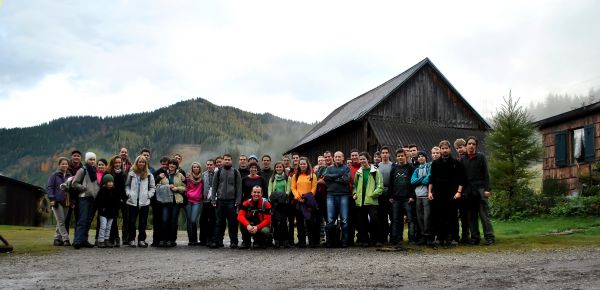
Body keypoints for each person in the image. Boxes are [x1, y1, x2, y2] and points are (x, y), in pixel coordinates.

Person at [428, 140, 465, 247]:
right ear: (440, 150)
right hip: (438, 193)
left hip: (452, 193)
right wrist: (430, 192)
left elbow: (461, 179)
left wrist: (459, 192)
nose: (444, 150)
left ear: (450, 149)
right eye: (442, 148)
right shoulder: (435, 163)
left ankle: (454, 238)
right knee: (439, 216)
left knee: (452, 216)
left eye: (446, 148)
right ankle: (440, 238)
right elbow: (431, 179)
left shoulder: (456, 163)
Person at [462, 136, 495, 245]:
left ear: (476, 146)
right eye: (469, 144)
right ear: (466, 146)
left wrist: (487, 189)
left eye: (473, 144)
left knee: (484, 215)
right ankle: (475, 238)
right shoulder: (463, 159)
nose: (471, 146)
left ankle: (489, 237)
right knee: (471, 216)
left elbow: (486, 174)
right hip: (469, 191)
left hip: (480, 189)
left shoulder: (481, 157)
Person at [209, 154, 242, 249]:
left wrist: (238, 201)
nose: (227, 161)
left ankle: (234, 242)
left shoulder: (236, 172)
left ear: (231, 161)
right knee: (219, 222)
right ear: (223, 161)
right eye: (225, 159)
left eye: (229, 159)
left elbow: (239, 188)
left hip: (232, 202)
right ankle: (217, 241)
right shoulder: (218, 172)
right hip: (220, 201)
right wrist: (213, 199)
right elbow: (214, 186)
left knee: (233, 223)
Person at [352, 152, 384, 247]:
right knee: (362, 221)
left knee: (374, 220)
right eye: (361, 159)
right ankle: (365, 240)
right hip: (360, 200)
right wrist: (354, 193)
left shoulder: (375, 171)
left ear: (368, 160)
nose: (362, 161)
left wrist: (373, 194)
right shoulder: (358, 172)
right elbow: (355, 185)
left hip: (372, 200)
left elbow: (380, 186)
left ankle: (376, 239)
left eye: (364, 159)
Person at [125, 155, 156, 248]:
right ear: (136, 162)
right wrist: (128, 193)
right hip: (132, 201)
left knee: (143, 222)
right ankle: (131, 239)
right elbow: (127, 185)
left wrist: (148, 195)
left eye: (143, 162)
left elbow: (152, 187)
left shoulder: (149, 175)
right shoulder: (131, 173)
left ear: (145, 163)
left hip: (144, 202)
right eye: (140, 162)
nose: (141, 163)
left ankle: (141, 240)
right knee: (132, 222)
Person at [71, 152, 100, 249]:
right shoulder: (82, 170)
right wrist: (84, 188)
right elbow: (74, 183)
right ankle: (77, 241)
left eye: (93, 159)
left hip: (92, 198)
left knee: (88, 220)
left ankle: (84, 240)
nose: (92, 161)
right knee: (82, 219)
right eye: (90, 159)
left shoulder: (95, 170)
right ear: (87, 160)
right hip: (83, 197)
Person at [323, 151, 351, 247]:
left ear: (343, 158)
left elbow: (346, 180)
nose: (337, 158)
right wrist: (339, 176)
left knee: (344, 220)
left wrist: (333, 179)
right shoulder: (329, 168)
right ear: (333, 158)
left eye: (339, 157)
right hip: (330, 195)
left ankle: (345, 241)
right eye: (336, 157)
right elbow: (326, 177)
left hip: (344, 195)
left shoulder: (347, 168)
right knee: (330, 220)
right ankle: (330, 242)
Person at [156, 158, 186, 247]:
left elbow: (185, 188)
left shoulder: (180, 175)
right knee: (164, 220)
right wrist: (167, 186)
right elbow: (157, 186)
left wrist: (177, 188)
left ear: (176, 166)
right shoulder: (163, 175)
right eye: (170, 164)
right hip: (165, 201)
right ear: (168, 165)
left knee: (173, 221)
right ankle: (163, 239)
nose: (171, 165)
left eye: (174, 164)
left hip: (176, 201)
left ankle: (171, 240)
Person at [388, 148, 415, 246]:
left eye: (402, 156)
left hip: (408, 198)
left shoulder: (411, 168)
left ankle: (411, 238)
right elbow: (391, 183)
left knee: (410, 219)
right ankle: (396, 238)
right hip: (396, 198)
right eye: (398, 156)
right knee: (395, 220)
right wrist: (390, 196)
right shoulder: (394, 168)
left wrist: (412, 196)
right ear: (396, 157)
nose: (400, 157)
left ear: (405, 156)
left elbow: (413, 183)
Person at [291, 157, 318, 248]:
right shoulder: (296, 176)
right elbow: (293, 188)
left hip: (308, 201)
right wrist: (298, 197)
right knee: (300, 222)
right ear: (299, 165)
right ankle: (302, 241)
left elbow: (314, 188)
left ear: (307, 165)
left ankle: (311, 241)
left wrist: (308, 197)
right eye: (301, 164)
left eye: (304, 164)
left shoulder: (312, 175)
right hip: (299, 201)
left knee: (310, 222)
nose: (302, 165)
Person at [240, 162, 267, 248]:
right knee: (245, 222)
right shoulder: (244, 179)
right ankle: (246, 241)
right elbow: (241, 192)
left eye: (255, 168)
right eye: (251, 168)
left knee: (258, 221)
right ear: (249, 169)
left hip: (259, 204)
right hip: (247, 204)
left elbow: (265, 193)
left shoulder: (261, 179)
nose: (253, 169)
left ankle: (257, 241)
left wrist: (264, 203)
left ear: (257, 169)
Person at [47, 157, 72, 246]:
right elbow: (50, 187)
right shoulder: (54, 175)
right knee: (61, 221)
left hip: (67, 201)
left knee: (61, 221)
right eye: (63, 164)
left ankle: (57, 238)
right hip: (57, 201)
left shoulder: (70, 176)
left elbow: (71, 189)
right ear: (59, 165)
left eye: (66, 164)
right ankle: (66, 239)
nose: (65, 165)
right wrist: (52, 198)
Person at [267, 161, 292, 248]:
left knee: (284, 222)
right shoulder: (272, 178)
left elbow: (288, 190)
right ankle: (277, 240)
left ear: (283, 168)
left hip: (284, 203)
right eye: (277, 167)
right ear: (275, 169)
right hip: (275, 204)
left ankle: (285, 240)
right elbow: (269, 191)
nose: (278, 168)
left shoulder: (287, 178)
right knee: (275, 222)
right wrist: (272, 198)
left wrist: (283, 198)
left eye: (280, 167)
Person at [411, 151, 432, 246]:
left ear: (425, 157)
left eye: (422, 156)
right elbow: (412, 181)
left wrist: (420, 180)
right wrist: (421, 179)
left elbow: (428, 180)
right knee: (419, 217)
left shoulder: (429, 167)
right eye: (419, 157)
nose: (420, 158)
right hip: (418, 196)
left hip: (426, 196)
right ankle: (423, 236)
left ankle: (428, 237)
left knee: (427, 217)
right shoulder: (417, 169)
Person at [107, 155, 128, 247]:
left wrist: (125, 198)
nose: (117, 164)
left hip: (123, 199)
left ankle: (125, 238)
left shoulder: (124, 174)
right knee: (113, 219)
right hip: (112, 199)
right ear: (112, 163)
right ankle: (115, 238)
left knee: (126, 218)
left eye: (119, 162)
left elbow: (126, 186)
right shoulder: (109, 174)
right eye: (116, 162)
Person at [150, 156, 170, 247]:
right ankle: (156, 241)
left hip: (167, 201)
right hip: (157, 201)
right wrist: (158, 177)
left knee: (165, 220)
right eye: (163, 164)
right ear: (160, 164)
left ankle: (164, 239)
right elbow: (151, 184)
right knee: (156, 221)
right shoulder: (157, 172)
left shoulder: (170, 173)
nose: (164, 166)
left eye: (166, 164)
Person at [95, 174, 120, 248]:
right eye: (108, 182)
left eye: (111, 182)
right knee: (103, 226)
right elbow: (97, 202)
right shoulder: (102, 191)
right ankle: (101, 240)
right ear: (105, 183)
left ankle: (106, 240)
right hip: (103, 213)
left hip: (112, 213)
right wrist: (101, 208)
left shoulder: (114, 191)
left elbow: (117, 202)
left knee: (109, 227)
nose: (110, 183)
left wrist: (116, 210)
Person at [453, 138, 470, 243]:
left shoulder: (469, 158)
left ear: (465, 146)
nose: (459, 150)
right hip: (458, 190)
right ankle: (459, 236)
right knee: (459, 215)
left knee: (467, 216)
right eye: (457, 148)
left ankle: (466, 236)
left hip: (467, 190)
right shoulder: (457, 160)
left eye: (461, 147)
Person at [376, 146, 393, 244]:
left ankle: (393, 237)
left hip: (390, 194)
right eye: (383, 153)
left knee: (392, 217)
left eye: (386, 152)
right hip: (380, 194)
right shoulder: (377, 166)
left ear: (389, 154)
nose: (385, 154)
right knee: (382, 217)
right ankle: (382, 237)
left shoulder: (393, 165)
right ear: (381, 154)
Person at [185, 162, 203, 246]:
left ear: (199, 168)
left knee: (193, 220)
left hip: (197, 201)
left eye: (197, 167)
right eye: (194, 167)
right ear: (192, 169)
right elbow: (185, 188)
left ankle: (195, 239)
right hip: (188, 201)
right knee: (189, 220)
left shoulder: (202, 178)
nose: (195, 168)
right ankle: (191, 240)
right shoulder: (188, 178)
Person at [199, 159, 217, 246]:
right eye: (208, 165)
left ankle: (211, 239)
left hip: (214, 201)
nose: (209, 166)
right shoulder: (204, 174)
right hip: (205, 200)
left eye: (211, 165)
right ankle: (203, 239)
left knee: (212, 221)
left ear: (214, 165)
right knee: (202, 220)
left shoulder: (217, 174)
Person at [347, 149, 361, 246]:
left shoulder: (363, 167)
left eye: (356, 155)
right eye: (352, 155)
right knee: (350, 218)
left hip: (361, 196)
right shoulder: (348, 168)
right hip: (350, 196)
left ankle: (361, 238)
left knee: (360, 217)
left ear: (359, 156)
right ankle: (350, 239)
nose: (354, 157)